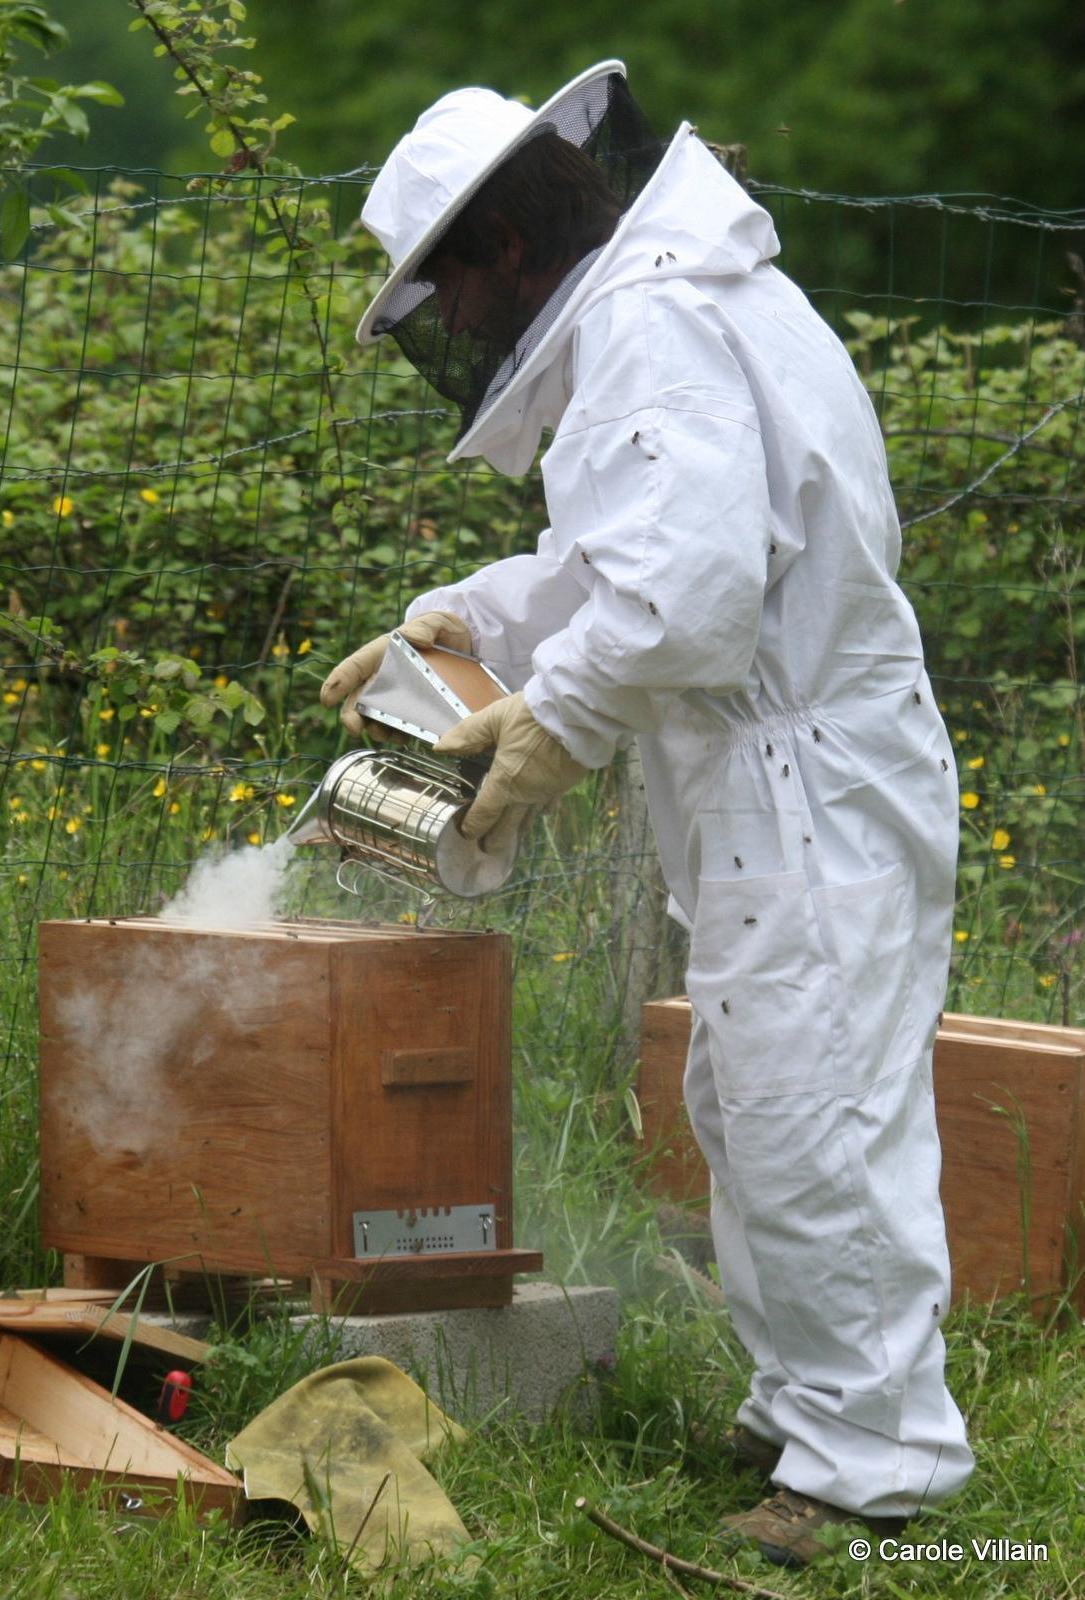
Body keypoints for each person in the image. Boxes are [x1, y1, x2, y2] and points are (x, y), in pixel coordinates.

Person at [320, 60, 974, 1567]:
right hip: (783, 777)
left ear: (496, 248)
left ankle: (878, 1474)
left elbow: (683, 597)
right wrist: (451, 620)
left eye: (447, 291)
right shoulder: (660, 309)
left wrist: (554, 716)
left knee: (810, 1108)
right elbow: (616, 561)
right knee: (752, 1099)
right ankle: (812, 1407)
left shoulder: (652, 325)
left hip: (807, 775)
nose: (458, 326)